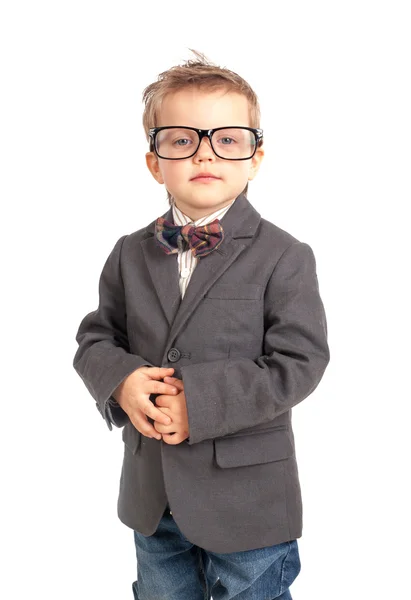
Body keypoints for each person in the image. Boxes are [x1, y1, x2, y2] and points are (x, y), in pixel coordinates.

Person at [73, 49, 330, 600]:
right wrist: (121, 379)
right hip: (154, 490)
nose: (205, 154)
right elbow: (96, 337)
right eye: (182, 140)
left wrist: (201, 404)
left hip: (249, 496)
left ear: (256, 158)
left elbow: (300, 363)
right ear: (154, 161)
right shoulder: (127, 253)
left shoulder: (285, 255)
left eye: (228, 139)